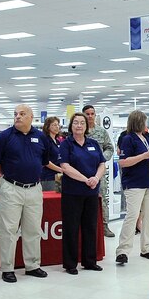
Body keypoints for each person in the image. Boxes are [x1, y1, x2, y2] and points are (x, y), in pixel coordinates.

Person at [0, 104, 50, 283]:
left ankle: (32, 265)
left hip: (34, 189)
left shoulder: (40, 137)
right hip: (11, 187)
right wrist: (11, 172)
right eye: (15, 114)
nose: (18, 117)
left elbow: (44, 161)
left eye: (22, 114)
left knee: (33, 229)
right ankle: (7, 268)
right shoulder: (4, 137)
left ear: (31, 117)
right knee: (8, 230)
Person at [58, 113, 106, 274]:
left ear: (86, 126)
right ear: (71, 126)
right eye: (76, 123)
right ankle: (70, 264)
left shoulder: (93, 143)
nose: (79, 126)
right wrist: (86, 179)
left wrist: (96, 178)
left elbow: (102, 164)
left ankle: (89, 261)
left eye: (82, 123)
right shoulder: (66, 144)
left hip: (91, 192)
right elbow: (65, 166)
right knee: (71, 228)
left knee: (90, 227)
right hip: (72, 192)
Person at [115, 110, 149, 265]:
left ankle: (146, 247)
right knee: (132, 216)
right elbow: (123, 162)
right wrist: (143, 156)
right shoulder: (128, 139)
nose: (147, 125)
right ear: (138, 122)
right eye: (145, 121)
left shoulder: (147, 136)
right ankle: (123, 250)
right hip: (134, 182)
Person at [82, 105, 115, 237]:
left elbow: (109, 148)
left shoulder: (101, 132)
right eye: (87, 114)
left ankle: (104, 226)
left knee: (102, 199)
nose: (90, 116)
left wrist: (102, 158)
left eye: (92, 114)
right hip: (81, 173)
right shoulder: (78, 132)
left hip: (98, 172)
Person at [40, 116, 63, 192]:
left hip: (58, 175)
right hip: (48, 177)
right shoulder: (45, 141)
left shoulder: (57, 141)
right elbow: (45, 161)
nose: (57, 127)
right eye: (54, 125)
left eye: (58, 125)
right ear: (48, 127)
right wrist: (60, 169)